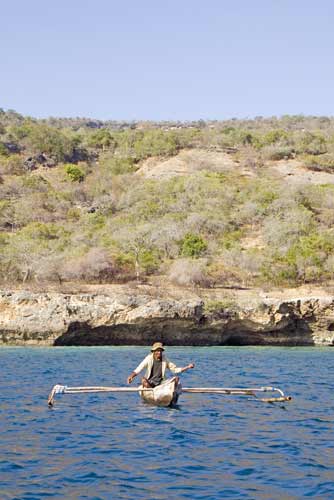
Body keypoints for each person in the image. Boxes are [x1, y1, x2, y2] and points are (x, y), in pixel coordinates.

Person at [127, 342, 195, 388]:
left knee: (176, 379)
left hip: (161, 383)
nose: (159, 352)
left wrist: (188, 367)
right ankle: (151, 391)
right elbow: (139, 369)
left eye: (160, 351)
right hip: (150, 383)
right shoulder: (148, 358)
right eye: (157, 350)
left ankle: (172, 394)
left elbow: (175, 370)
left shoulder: (165, 359)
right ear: (153, 351)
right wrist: (131, 376)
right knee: (143, 380)